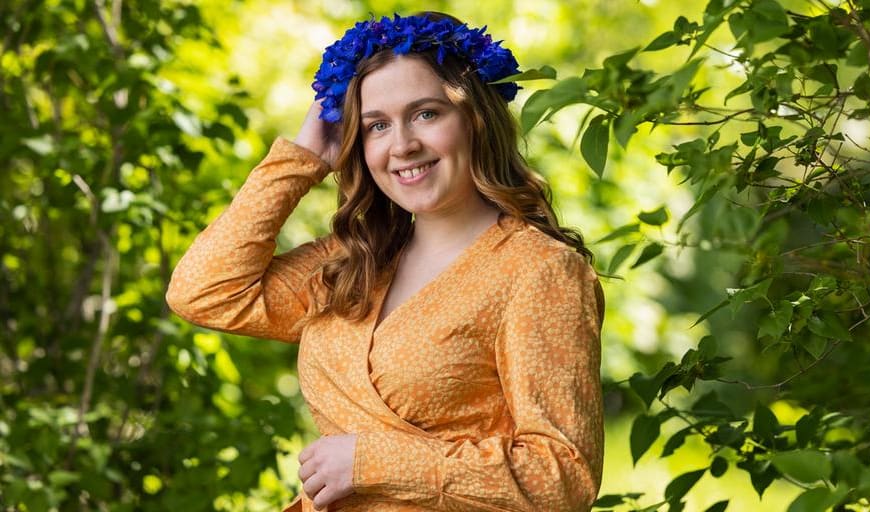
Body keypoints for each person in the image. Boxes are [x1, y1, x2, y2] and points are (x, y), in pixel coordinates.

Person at [166, 11, 604, 512]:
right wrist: (303, 156)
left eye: (426, 114)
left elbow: (562, 479)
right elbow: (203, 292)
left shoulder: (540, 270)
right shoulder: (353, 261)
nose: (402, 145)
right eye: (377, 125)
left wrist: (370, 462)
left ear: (476, 119)